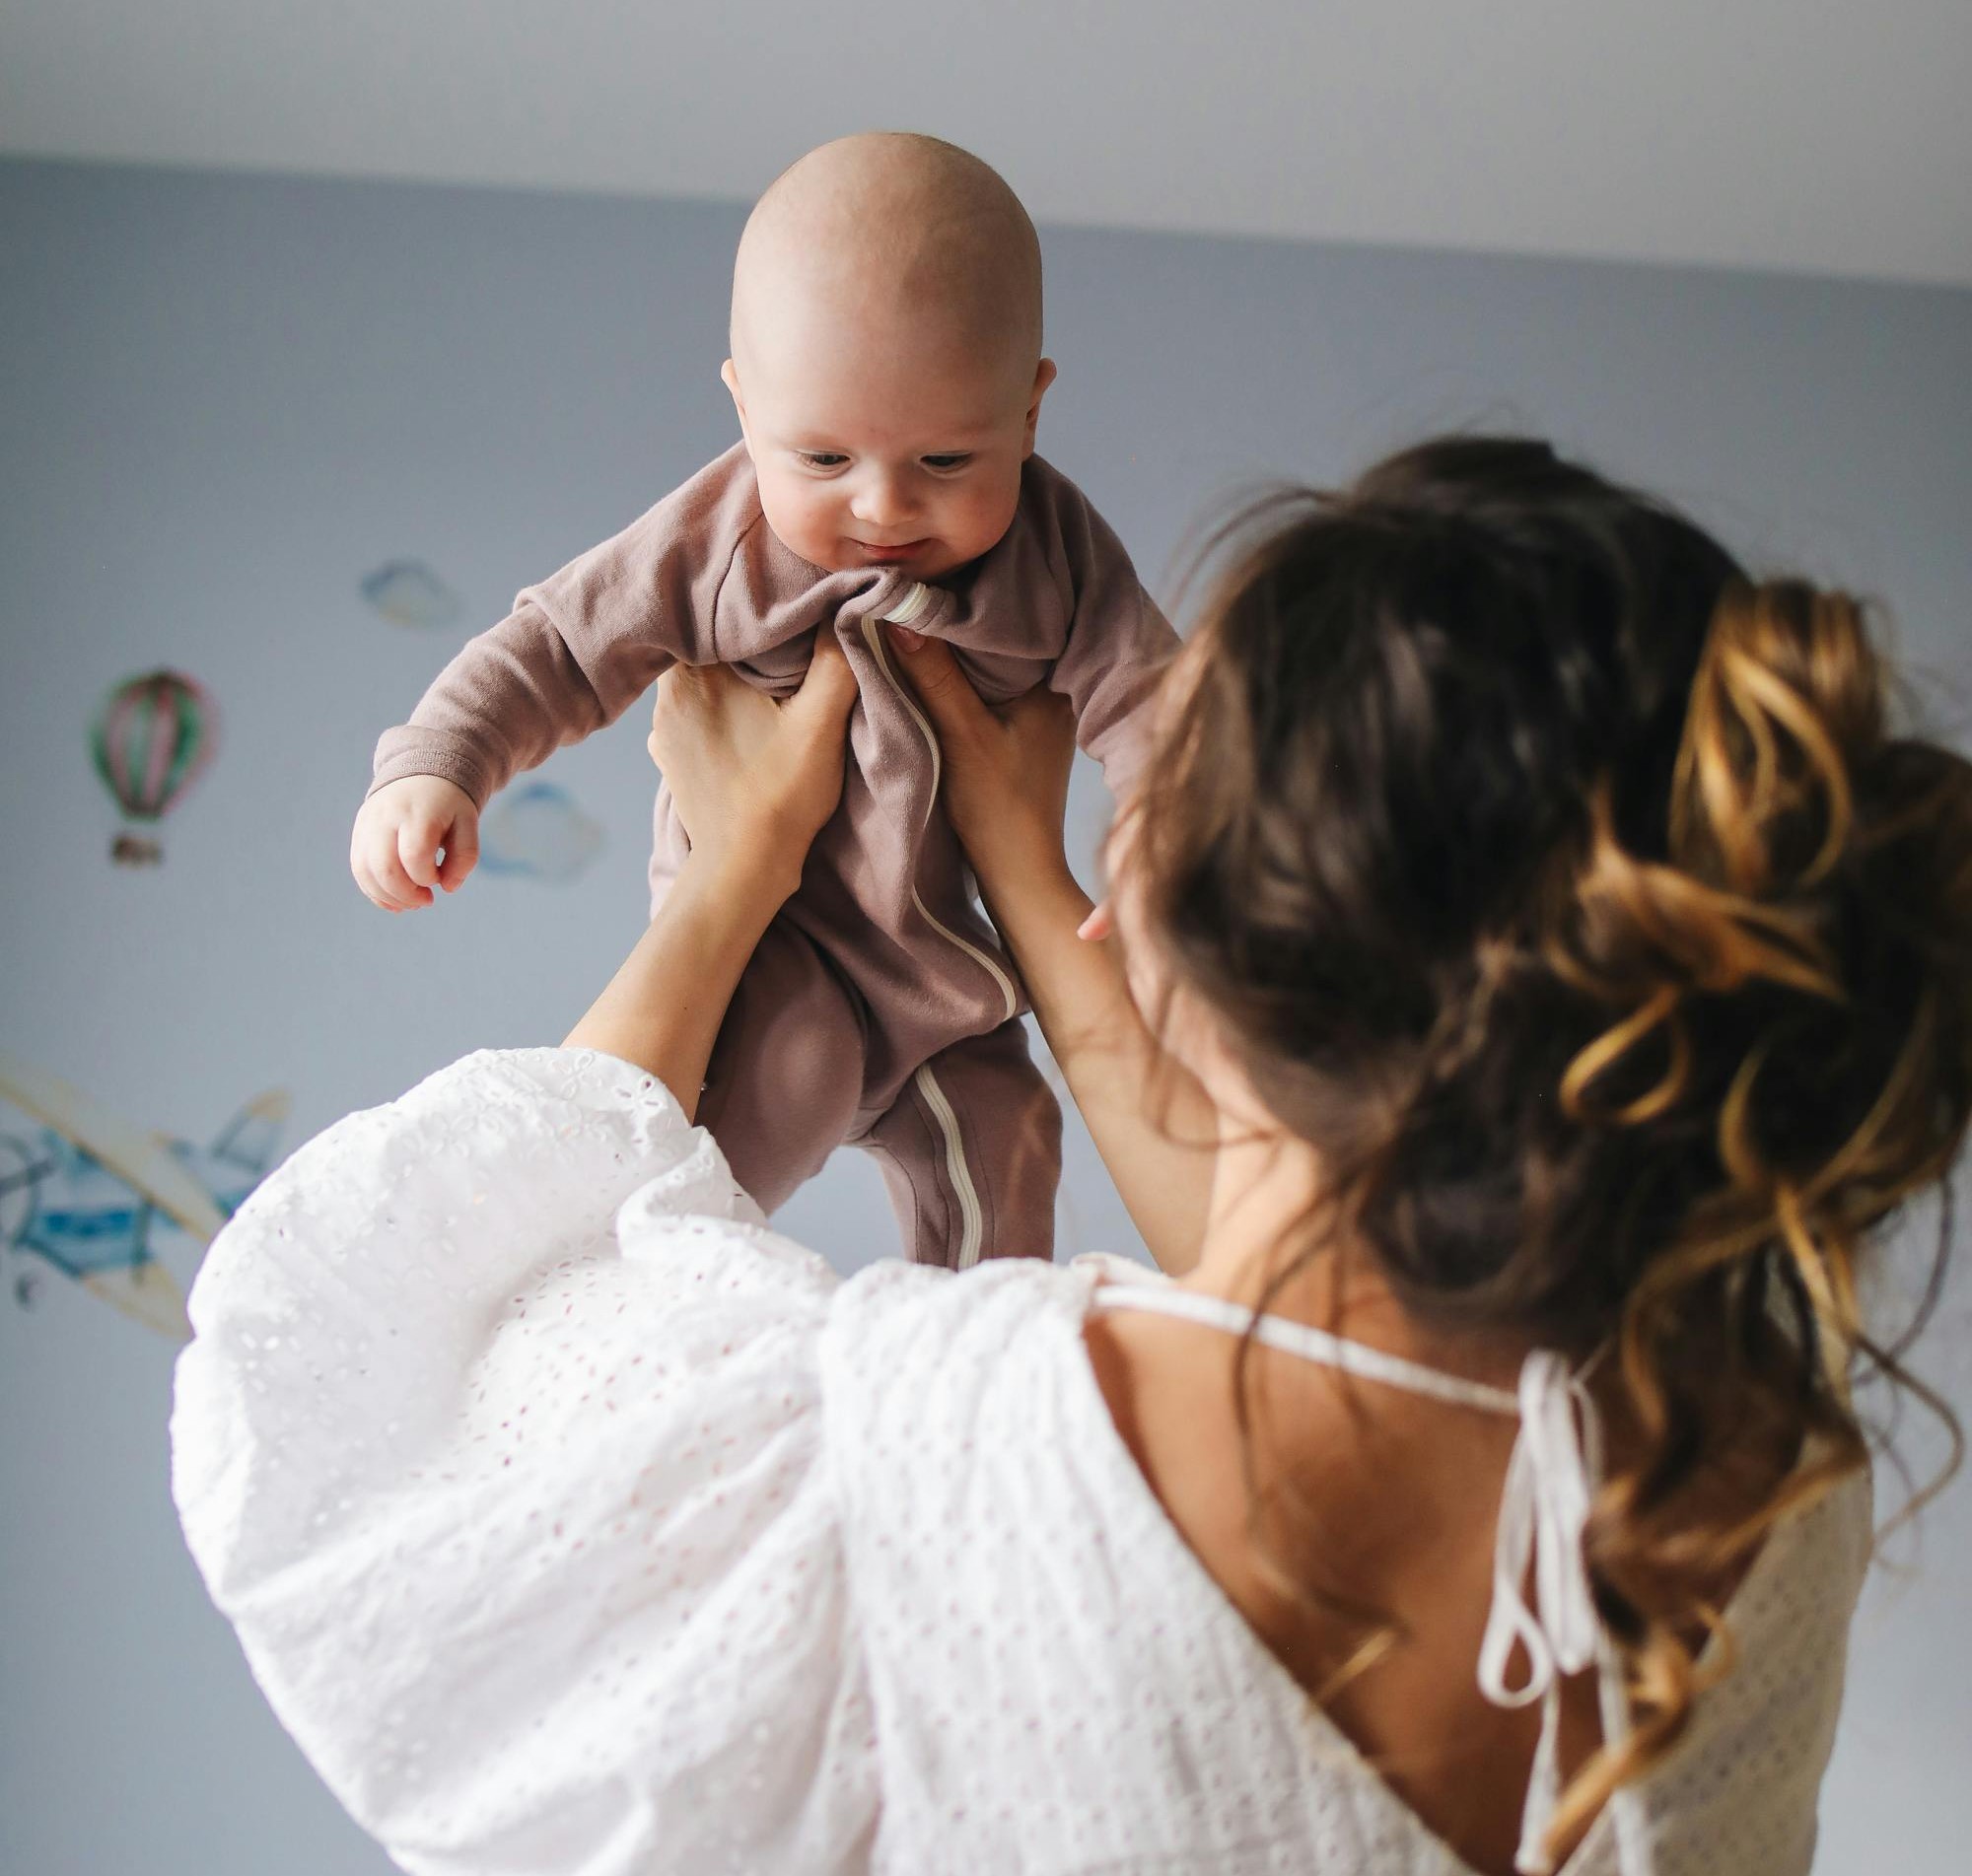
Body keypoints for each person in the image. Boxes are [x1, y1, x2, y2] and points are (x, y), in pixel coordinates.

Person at [175, 436, 1971, 1875]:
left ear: (1191, 933)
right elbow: (1319, 1293)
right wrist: (1031, 879)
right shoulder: (1746, 1500)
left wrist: (734, 866)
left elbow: (429, 1338)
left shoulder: (934, 1451)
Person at [346, 131, 1177, 1269]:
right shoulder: (719, 540)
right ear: (745, 411)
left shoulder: (1057, 552)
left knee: (1010, 1141)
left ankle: (960, 1378)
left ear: (1028, 413)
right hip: (777, 960)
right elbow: (557, 643)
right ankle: (645, 1323)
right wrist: (441, 760)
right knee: (706, 1158)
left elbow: (1150, 695)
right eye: (823, 459)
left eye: (945, 461)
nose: (883, 505)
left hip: (949, 987)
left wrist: (1164, 834)